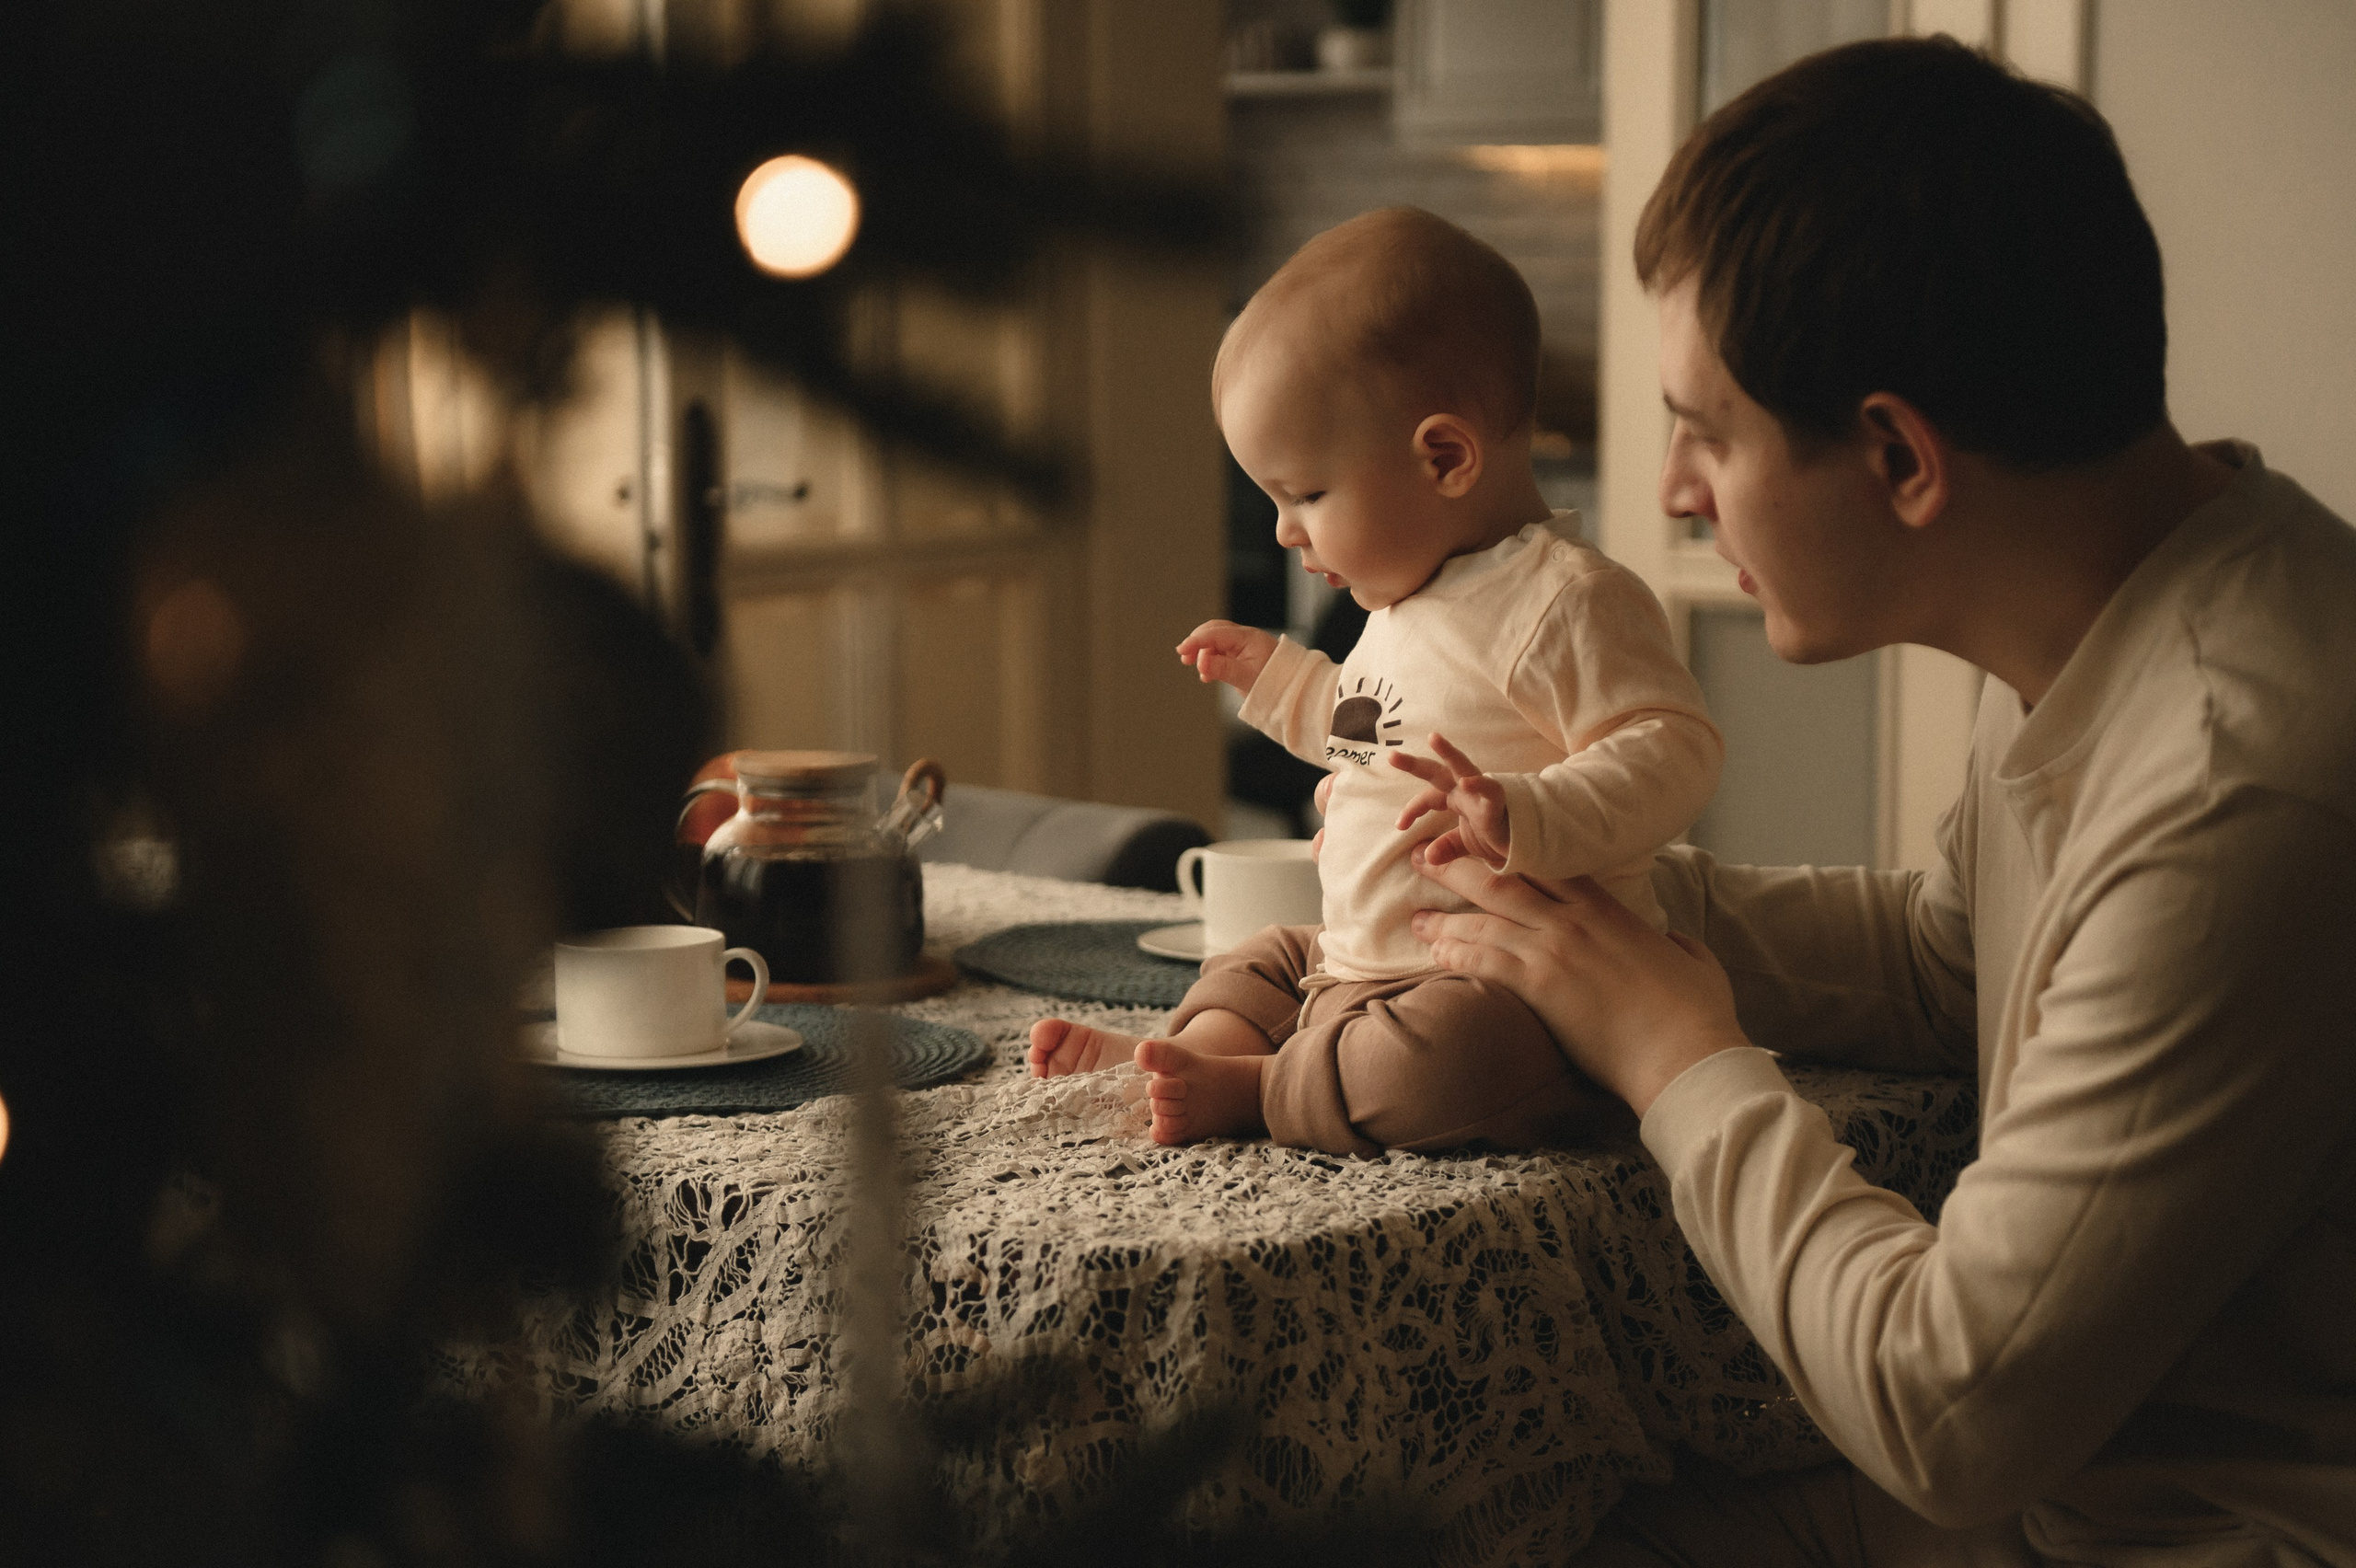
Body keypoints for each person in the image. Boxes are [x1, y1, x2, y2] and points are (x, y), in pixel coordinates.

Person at [1406, 36, 2356, 1565]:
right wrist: (1602, 892)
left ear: (1902, 455)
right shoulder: (2106, 603)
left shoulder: (2235, 786)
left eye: (1707, 430)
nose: (1672, 491)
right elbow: (1951, 964)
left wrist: (1673, 1050)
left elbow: (1951, 1406)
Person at [1027, 206, 1724, 1155]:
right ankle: (1187, 1050)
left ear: (1443, 457)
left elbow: (1674, 751)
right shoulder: (1405, 606)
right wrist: (1281, 682)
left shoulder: (1563, 603)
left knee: (1449, 1064)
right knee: (1264, 953)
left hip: (1500, 990)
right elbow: (1370, 734)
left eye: (1304, 495)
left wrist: (1529, 812)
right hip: (1353, 958)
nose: (1284, 530)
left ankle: (1262, 1087)